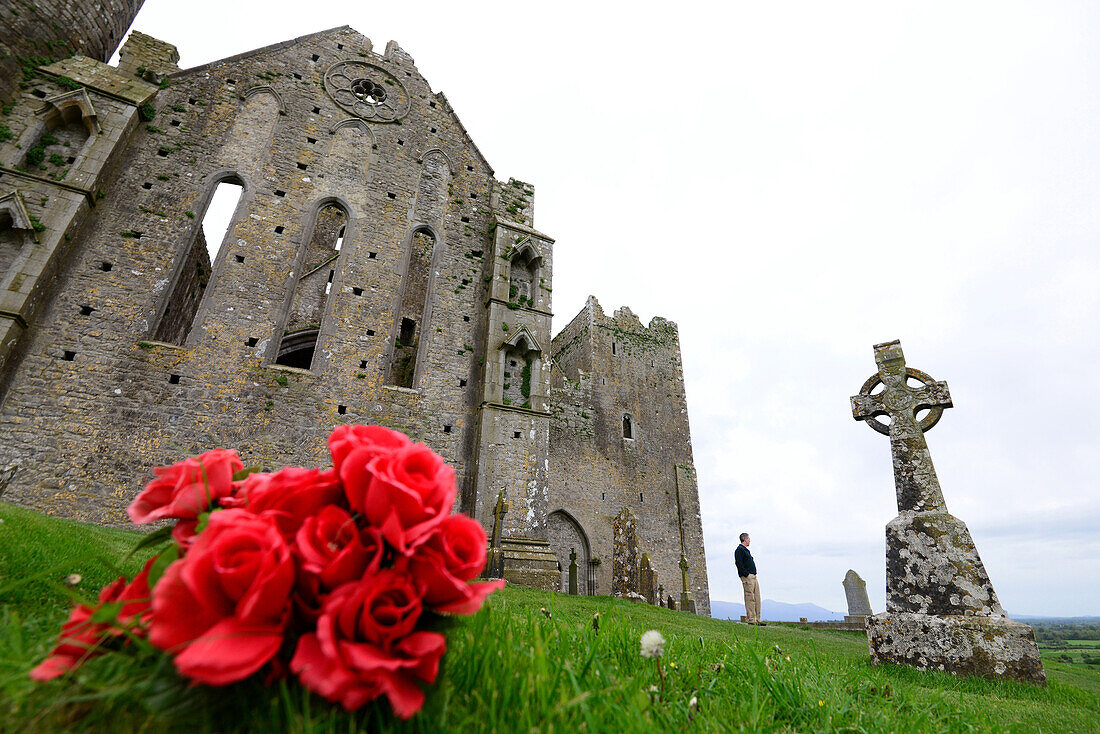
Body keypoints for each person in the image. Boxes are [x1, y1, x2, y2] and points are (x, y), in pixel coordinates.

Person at [735, 532, 765, 625]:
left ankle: (758, 618)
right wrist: (745, 574)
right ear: (744, 539)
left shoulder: (746, 550)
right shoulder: (739, 550)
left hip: (754, 577)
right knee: (750, 597)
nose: (749, 541)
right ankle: (751, 619)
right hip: (748, 577)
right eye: (748, 539)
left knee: (757, 598)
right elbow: (739, 563)